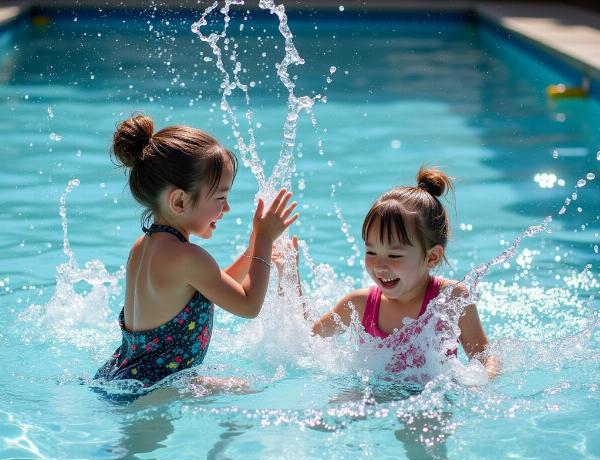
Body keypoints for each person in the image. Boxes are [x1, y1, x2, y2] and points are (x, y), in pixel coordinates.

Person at [95, 114, 298, 389]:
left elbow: (211, 286)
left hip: (119, 376)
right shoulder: (187, 257)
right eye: (220, 198)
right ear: (179, 201)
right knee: (247, 389)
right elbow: (248, 306)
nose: (226, 209)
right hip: (153, 389)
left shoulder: (143, 246)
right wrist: (263, 239)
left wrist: (252, 251)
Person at [278, 167, 498, 380]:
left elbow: (485, 359)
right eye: (371, 251)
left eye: (394, 256)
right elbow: (305, 335)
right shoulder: (360, 304)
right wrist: (288, 273)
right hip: (370, 394)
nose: (380, 266)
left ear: (431, 257)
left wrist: (480, 381)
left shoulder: (451, 299)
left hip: (430, 397)